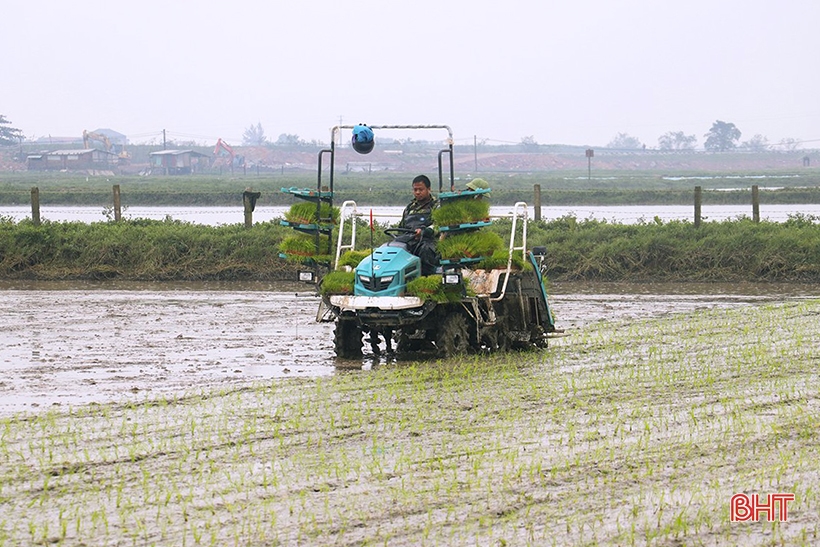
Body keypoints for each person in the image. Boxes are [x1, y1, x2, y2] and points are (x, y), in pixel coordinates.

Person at [397, 174, 441, 275]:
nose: (417, 192)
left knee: (425, 250)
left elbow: (438, 226)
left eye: (420, 189)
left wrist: (424, 232)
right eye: (415, 190)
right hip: (409, 240)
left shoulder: (436, 206)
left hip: (429, 241)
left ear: (428, 189)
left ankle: (427, 277)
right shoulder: (409, 208)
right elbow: (401, 227)